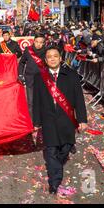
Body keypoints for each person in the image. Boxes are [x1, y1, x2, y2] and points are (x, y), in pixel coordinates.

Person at [32, 46, 88, 195]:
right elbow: (36, 101)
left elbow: (79, 99)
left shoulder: (71, 75)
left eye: (55, 56)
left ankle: (58, 162)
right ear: (45, 60)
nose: (52, 59)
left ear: (60, 58)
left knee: (66, 147)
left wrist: (82, 119)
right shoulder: (40, 76)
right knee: (51, 150)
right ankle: (55, 182)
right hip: (48, 119)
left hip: (66, 119)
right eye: (49, 56)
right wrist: (36, 122)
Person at [18, 34, 46, 119]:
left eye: (41, 42)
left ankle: (42, 121)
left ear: (44, 43)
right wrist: (20, 74)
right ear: (34, 41)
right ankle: (32, 123)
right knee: (31, 102)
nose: (38, 44)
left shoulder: (46, 51)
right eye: (37, 42)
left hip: (42, 80)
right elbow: (22, 63)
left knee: (42, 102)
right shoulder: (28, 50)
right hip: (30, 79)